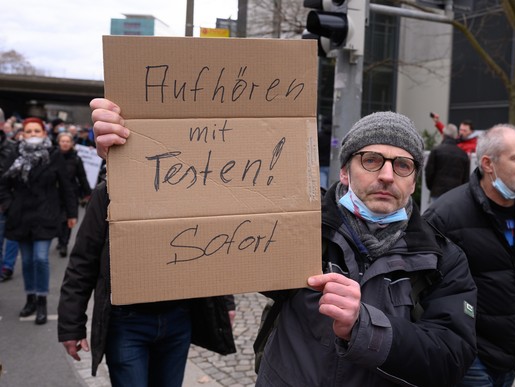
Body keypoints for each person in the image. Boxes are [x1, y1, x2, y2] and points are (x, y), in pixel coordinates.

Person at [90, 99, 478, 386]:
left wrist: (365, 327)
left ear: (414, 180)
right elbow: (202, 202)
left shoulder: (443, 259)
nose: (387, 175)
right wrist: (130, 159)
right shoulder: (300, 225)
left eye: (403, 164)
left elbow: (450, 358)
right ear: (344, 171)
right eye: (371, 160)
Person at [58, 180, 237, 387]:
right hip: (126, 322)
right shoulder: (109, 191)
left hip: (178, 317)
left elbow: (212, 244)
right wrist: (70, 326)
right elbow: (83, 261)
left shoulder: (193, 186)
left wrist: (226, 301)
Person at [423, 124, 515, 386]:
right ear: (488, 163)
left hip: (514, 352)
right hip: (470, 354)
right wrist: (451, 339)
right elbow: (424, 288)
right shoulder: (445, 215)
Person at [0, 117, 78, 324]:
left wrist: (71, 214)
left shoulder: (53, 156)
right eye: (29, 131)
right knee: (26, 261)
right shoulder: (15, 154)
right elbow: (4, 182)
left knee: (41, 258)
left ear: (44, 134)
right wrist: (8, 204)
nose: (33, 134)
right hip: (21, 216)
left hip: (45, 214)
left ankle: (42, 299)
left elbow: (66, 186)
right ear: (22, 134)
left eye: (37, 131)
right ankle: (30, 298)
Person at [55, 132, 92, 257]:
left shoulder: (76, 159)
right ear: (58, 143)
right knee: (58, 219)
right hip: (55, 193)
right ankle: (60, 239)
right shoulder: (53, 157)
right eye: (62, 141)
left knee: (68, 218)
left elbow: (82, 176)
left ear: (71, 144)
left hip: (71, 194)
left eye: (67, 141)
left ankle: (64, 244)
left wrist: (88, 193)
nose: (65, 143)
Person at [424, 123, 470, 202]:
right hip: (455, 194)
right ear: (456, 136)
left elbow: (429, 172)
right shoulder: (463, 154)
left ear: (443, 135)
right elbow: (466, 178)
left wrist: (431, 187)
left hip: (437, 192)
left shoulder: (436, 151)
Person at [0, 128, 19, 281]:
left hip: (9, 200)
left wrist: (8, 201)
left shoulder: (12, 148)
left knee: (12, 236)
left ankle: (7, 267)